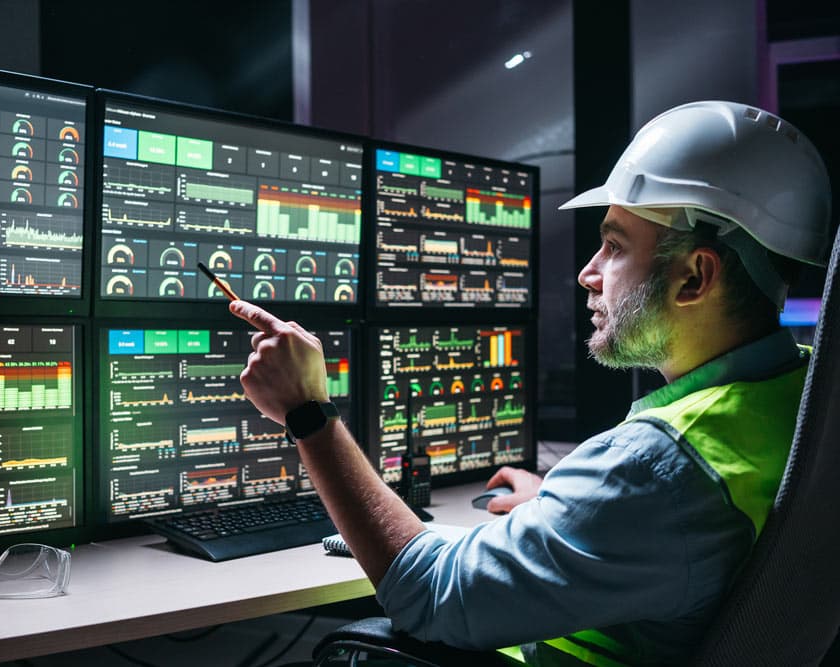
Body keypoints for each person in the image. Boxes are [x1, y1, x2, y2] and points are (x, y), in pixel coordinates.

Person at [231, 101, 833, 666]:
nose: (588, 273)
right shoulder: (806, 398)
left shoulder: (654, 468)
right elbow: (663, 529)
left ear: (695, 277)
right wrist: (572, 514)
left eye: (614, 245)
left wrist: (308, 413)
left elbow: (427, 593)